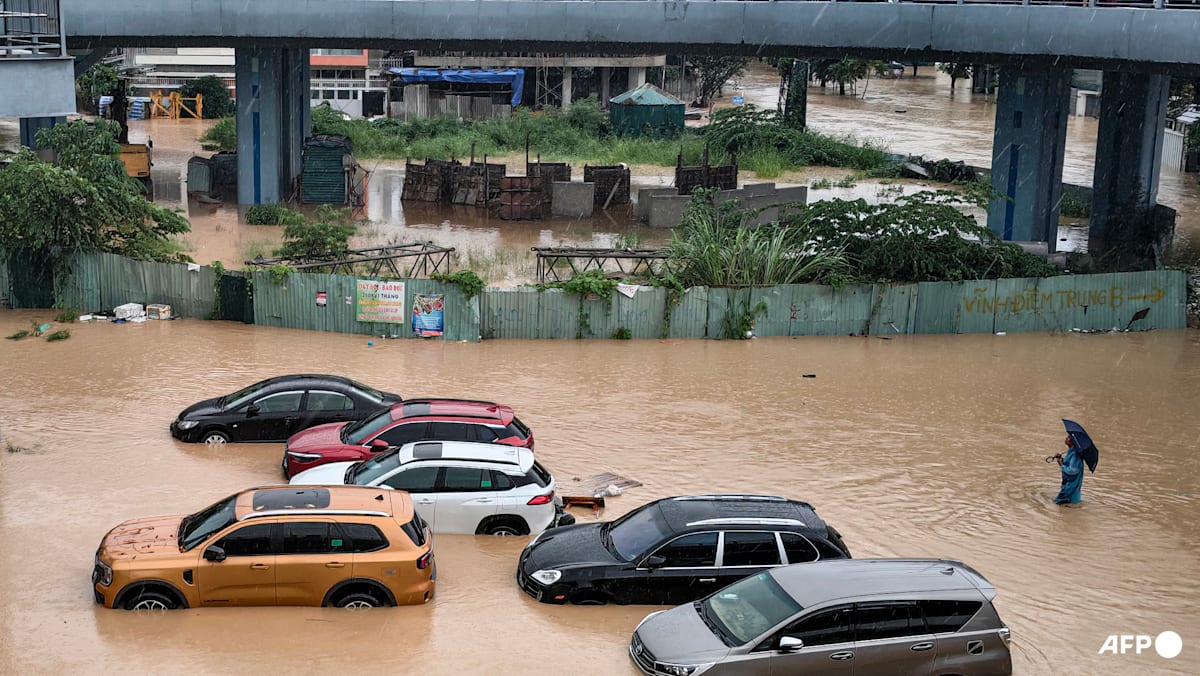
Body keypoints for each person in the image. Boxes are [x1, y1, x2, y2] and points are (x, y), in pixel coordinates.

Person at [1052, 435, 1084, 505]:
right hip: (1068, 484)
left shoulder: (1076, 454)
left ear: (1074, 441)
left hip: (1071, 485)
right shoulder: (1071, 451)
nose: (1066, 438)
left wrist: (1061, 464)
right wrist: (1060, 459)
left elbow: (1072, 470)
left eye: (1069, 438)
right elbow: (1068, 464)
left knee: (1057, 503)